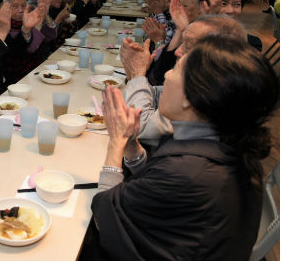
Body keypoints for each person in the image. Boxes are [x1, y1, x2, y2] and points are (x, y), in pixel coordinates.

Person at [83, 35, 278, 261]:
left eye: (176, 71)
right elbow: (159, 190)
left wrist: (115, 144)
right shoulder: (230, 144)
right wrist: (131, 147)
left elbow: (103, 216)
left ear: (191, 97)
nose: (166, 74)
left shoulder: (190, 173)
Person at [122, 15, 247, 142]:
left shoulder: (205, 95)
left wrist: (137, 75)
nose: (177, 51)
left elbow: (140, 128)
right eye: (182, 42)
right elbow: (155, 94)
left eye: (188, 46)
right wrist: (133, 73)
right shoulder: (209, 79)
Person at [1, 0, 54, 84]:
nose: (21, 10)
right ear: (6, 8)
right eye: (15, 6)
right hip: (19, 78)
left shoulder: (28, 18)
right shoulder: (4, 26)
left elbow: (51, 35)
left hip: (38, 70)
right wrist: (37, 25)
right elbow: (30, 49)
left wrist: (45, 16)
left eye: (23, 6)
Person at [198, 0, 262, 51]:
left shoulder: (251, 44)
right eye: (224, 3)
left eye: (237, 4)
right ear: (204, 6)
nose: (230, 10)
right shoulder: (193, 36)